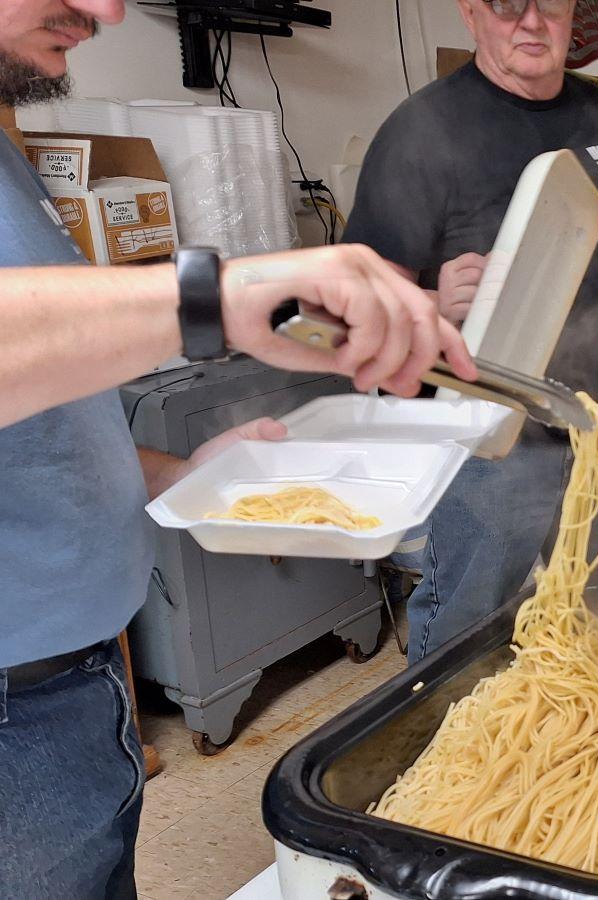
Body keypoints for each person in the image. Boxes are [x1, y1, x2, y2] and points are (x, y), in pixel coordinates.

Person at [0, 3, 477, 896]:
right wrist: (214, 298)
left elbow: (31, 425)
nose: (107, 9)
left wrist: (176, 473)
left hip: (71, 687)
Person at [344, 0, 598, 662]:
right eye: (506, 5)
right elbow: (360, 295)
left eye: (547, 4)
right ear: (472, 14)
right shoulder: (424, 129)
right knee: (470, 616)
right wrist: (436, 302)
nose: (530, 22)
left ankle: (595, 733)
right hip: (493, 436)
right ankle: (440, 746)